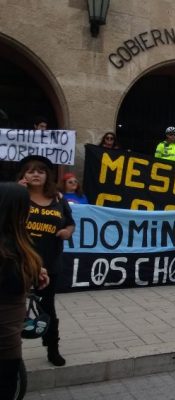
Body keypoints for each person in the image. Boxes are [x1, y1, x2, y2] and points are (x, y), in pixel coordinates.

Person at [17, 155, 75, 366]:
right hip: (19, 264)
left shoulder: (59, 199)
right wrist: (16, 192)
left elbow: (70, 223)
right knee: (13, 309)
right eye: (31, 170)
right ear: (24, 174)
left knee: (48, 308)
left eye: (40, 171)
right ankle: (11, 352)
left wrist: (67, 232)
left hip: (49, 264)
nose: (35, 174)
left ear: (47, 176)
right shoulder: (15, 196)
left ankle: (52, 349)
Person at [0, 183, 50, 398]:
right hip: (5, 344)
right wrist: (29, 274)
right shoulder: (9, 250)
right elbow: (12, 283)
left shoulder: (15, 244)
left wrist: (33, 272)